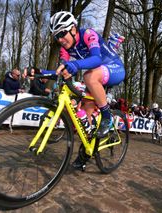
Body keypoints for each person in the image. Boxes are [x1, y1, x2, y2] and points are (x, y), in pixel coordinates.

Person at [49, 11, 126, 169]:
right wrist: (37, 72)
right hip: (97, 75)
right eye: (57, 36)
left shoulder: (88, 34)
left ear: (73, 28)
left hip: (114, 68)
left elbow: (97, 59)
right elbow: (61, 68)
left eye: (62, 33)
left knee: (88, 76)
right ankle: (86, 152)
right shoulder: (65, 48)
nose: (60, 40)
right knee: (84, 112)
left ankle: (107, 117)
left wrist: (76, 65)